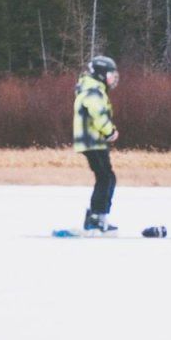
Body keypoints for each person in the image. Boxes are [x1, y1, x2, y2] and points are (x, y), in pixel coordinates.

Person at [74, 55, 120, 233]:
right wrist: (110, 131)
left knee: (107, 177)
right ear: (101, 75)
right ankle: (95, 217)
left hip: (95, 142)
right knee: (105, 177)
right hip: (91, 141)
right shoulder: (93, 91)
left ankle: (99, 216)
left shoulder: (94, 89)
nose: (112, 79)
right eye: (110, 74)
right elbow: (98, 114)